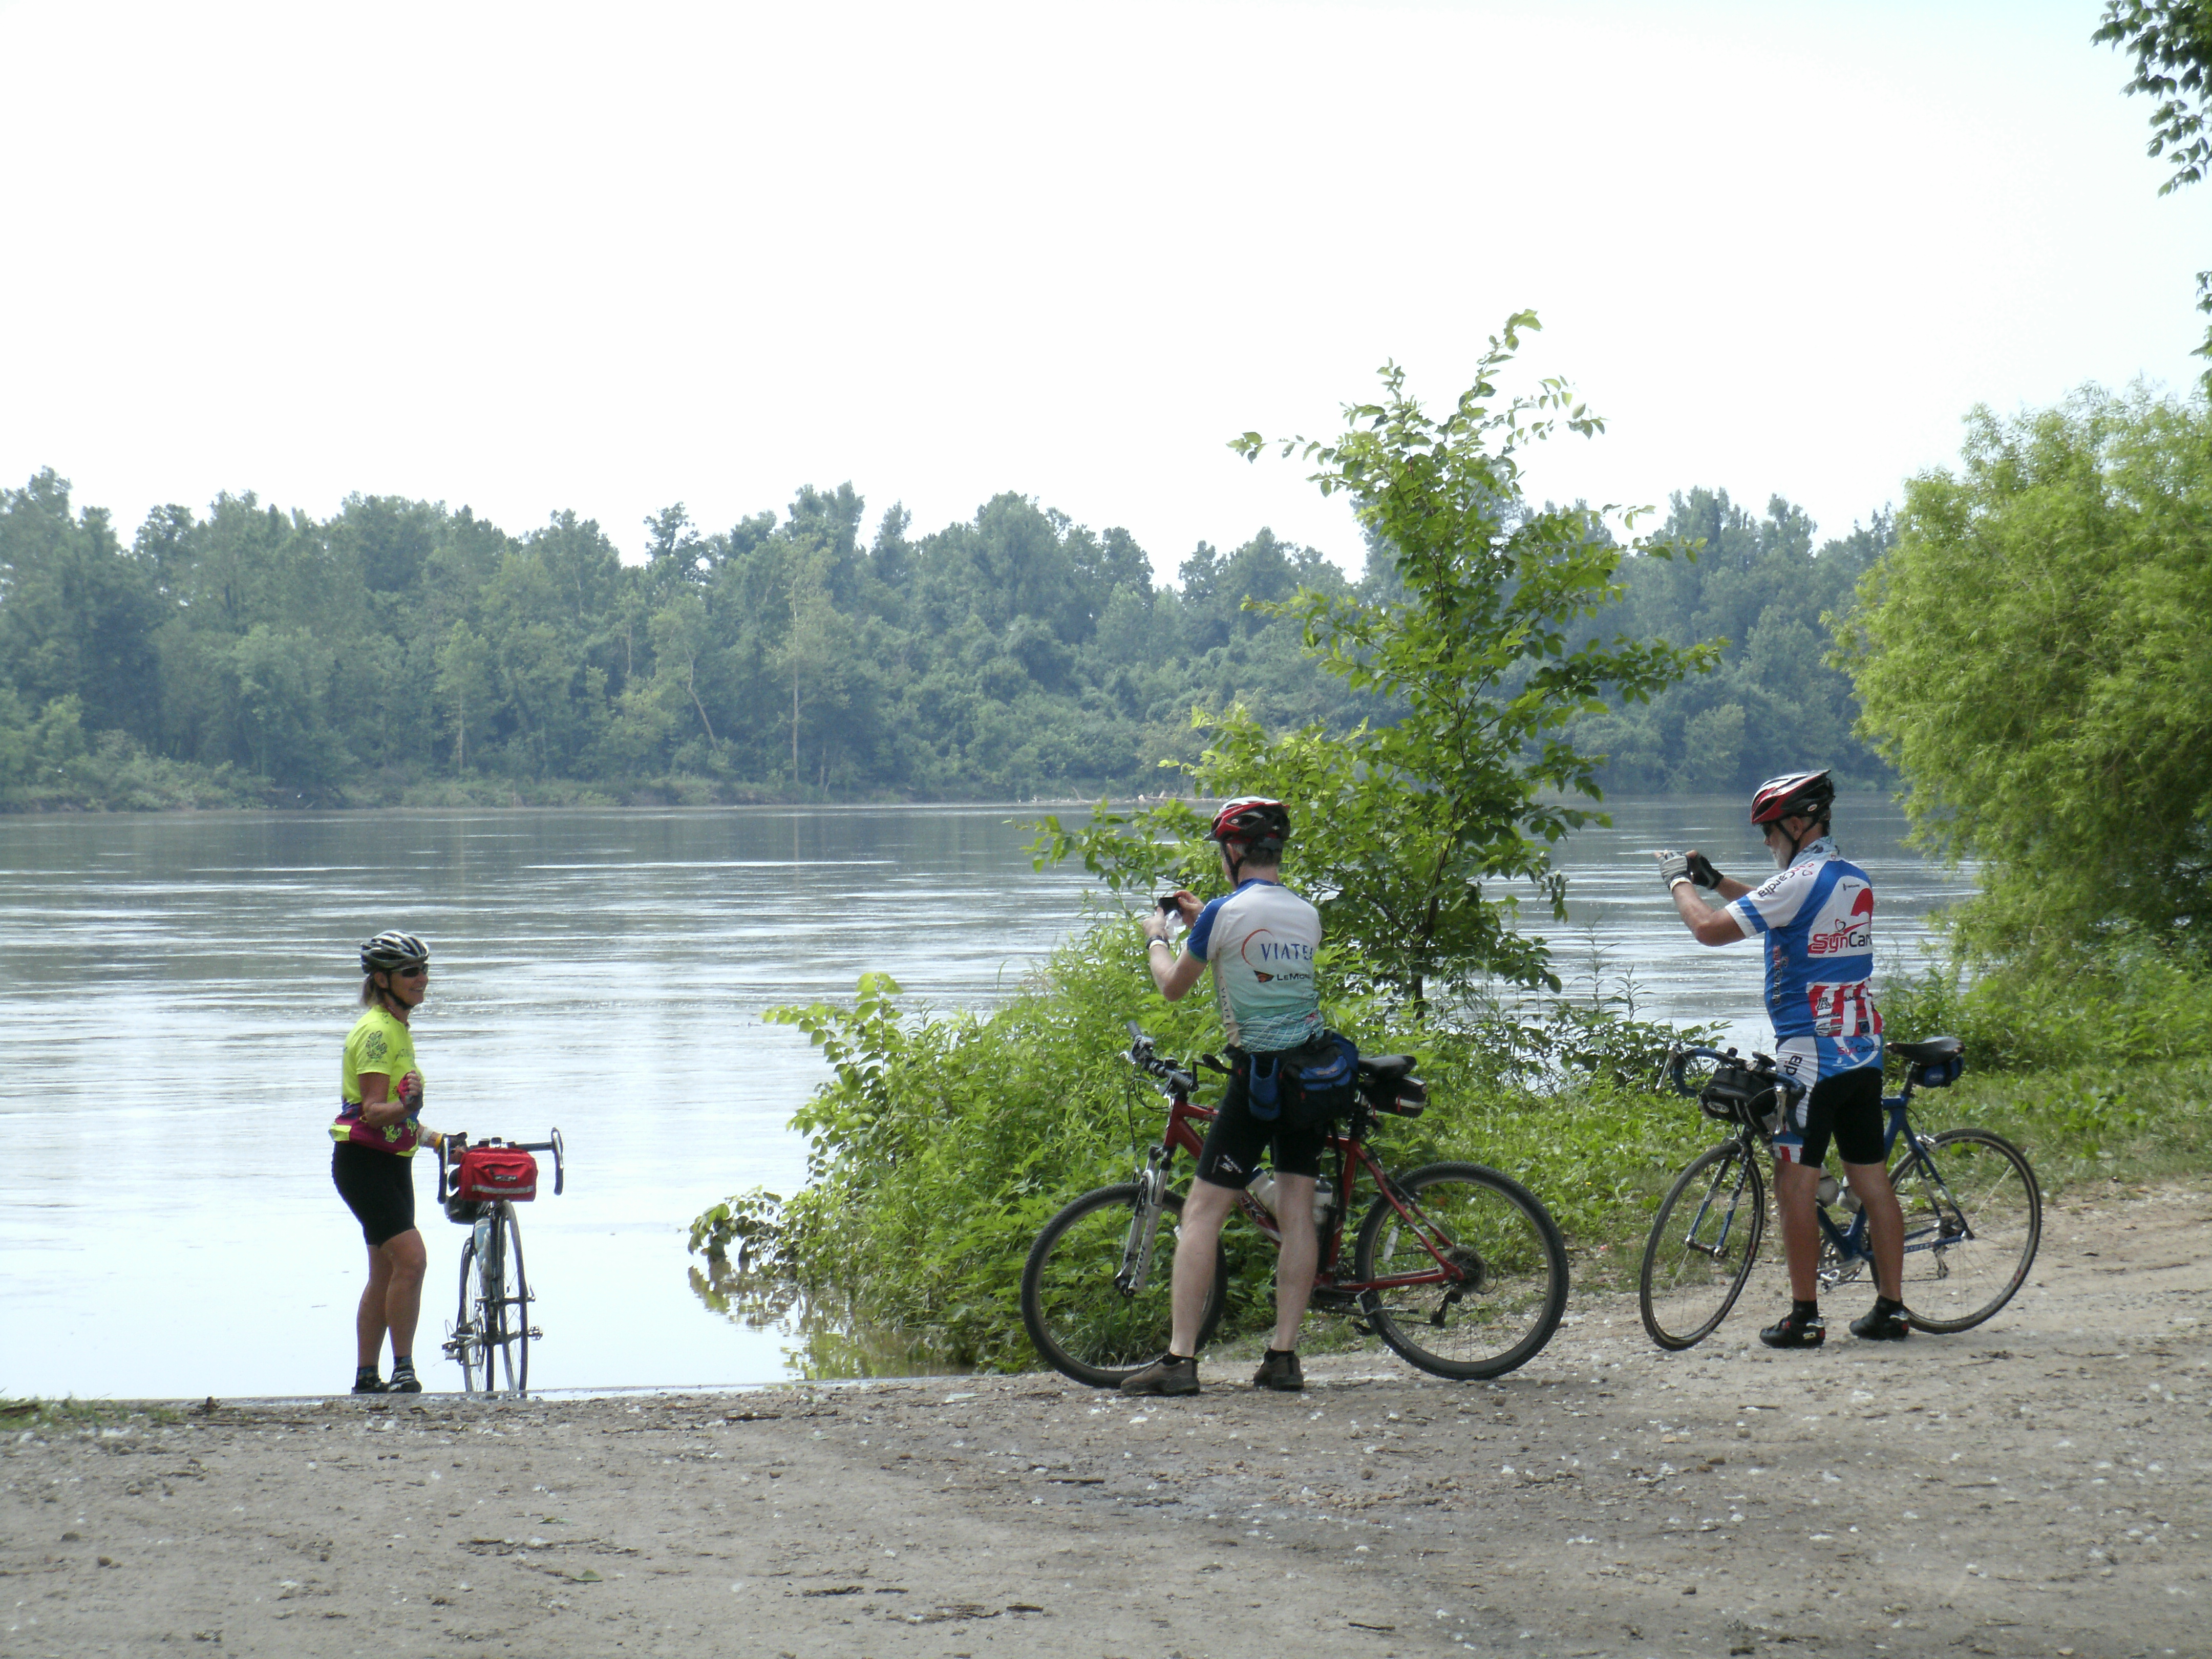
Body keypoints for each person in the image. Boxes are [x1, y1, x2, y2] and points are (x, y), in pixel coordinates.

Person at [1656, 770, 1912, 1346]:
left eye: (1771, 833)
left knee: (1794, 1183)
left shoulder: (1799, 880)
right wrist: (1718, 879)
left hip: (1812, 1059)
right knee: (1870, 1178)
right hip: (1861, 1052)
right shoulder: (1850, 877)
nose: (1768, 844)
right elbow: (1776, 908)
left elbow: (1708, 931)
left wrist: (1679, 883)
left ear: (1798, 825)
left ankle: (1805, 1317)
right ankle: (1892, 1309)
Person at [1124, 797, 1326, 1396]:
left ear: (1234, 853)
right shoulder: (1308, 913)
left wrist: (1158, 937)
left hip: (1257, 1079)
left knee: (1201, 1213)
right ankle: (1284, 1358)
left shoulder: (1220, 913)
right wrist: (1206, 916)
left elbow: (1172, 989)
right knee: (1296, 1213)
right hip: (1311, 1077)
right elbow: (1254, 938)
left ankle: (1180, 1360)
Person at [330, 930, 447, 1394]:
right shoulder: (378, 1033)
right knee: (413, 1261)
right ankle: (403, 1370)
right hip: (364, 1164)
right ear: (382, 980)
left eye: (424, 970)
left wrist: (436, 1139)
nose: (423, 979)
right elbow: (376, 1113)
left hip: (391, 1162)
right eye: (411, 973)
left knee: (387, 1269)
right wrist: (410, 1109)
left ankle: (366, 1376)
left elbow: (395, 1118)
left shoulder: (396, 1027)